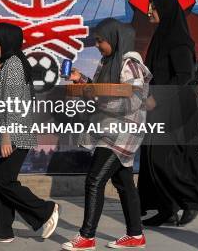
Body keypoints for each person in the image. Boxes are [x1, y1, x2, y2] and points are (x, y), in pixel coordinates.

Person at [62, 19, 151, 250]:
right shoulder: (107, 62)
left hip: (122, 132)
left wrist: (99, 102)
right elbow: (100, 90)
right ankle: (135, 235)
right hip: (109, 129)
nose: (97, 44)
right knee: (123, 183)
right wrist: (81, 81)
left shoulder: (130, 64)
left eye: (101, 40)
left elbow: (136, 99)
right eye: (96, 40)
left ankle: (87, 237)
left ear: (115, 38)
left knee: (94, 180)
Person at [0, 23, 59, 243]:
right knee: (0, 183)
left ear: (5, 41)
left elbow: (12, 103)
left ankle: (45, 211)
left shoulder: (13, 65)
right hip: (8, 131)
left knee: (4, 183)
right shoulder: (5, 65)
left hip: (14, 133)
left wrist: (6, 136)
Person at [138, 0, 198, 227]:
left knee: (165, 159)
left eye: (152, 7)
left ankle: (195, 200)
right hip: (159, 108)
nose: (149, 11)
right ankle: (166, 208)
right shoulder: (161, 36)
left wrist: (157, 99)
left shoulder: (178, 41)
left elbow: (184, 76)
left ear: (165, 10)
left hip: (174, 109)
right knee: (151, 159)